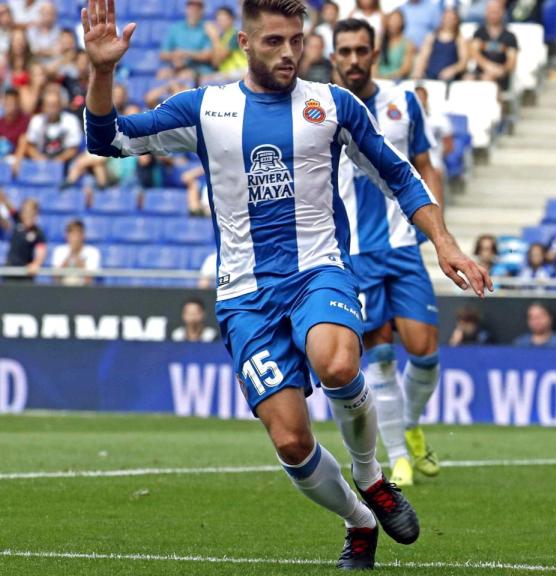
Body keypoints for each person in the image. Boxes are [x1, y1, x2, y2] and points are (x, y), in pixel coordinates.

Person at [82, 0, 489, 569]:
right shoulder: (206, 109)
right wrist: (102, 72)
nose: (290, 53)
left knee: (340, 363)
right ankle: (359, 519)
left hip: (317, 272)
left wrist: (444, 241)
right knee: (293, 443)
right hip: (245, 296)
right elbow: (109, 139)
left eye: (297, 40)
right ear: (245, 44)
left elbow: (398, 173)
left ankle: (371, 476)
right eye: (274, 41)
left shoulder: (331, 105)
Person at [332, 18, 454, 489]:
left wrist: (437, 227)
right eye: (345, 51)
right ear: (335, 56)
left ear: (374, 53)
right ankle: (400, 458)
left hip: (404, 246)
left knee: (424, 353)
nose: (354, 59)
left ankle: (408, 424)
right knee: (380, 357)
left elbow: (425, 166)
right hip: (355, 254)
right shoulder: (317, 107)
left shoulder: (403, 102)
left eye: (362, 50)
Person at [16, 89, 82, 174]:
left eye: (54, 105)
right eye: (48, 105)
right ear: (43, 107)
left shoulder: (71, 120)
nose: (51, 109)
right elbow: (30, 145)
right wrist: (41, 159)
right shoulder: (36, 120)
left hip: (66, 164)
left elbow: (73, 149)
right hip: (40, 163)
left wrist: (57, 161)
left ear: (60, 105)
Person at [469, 0, 518, 92]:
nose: (493, 15)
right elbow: (474, 52)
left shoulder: (510, 37)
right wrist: (487, 66)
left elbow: (512, 60)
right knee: (468, 79)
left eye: (496, 12)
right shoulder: (479, 33)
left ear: (502, 13)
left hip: (501, 75)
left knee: (488, 81)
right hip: (481, 72)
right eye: (491, 12)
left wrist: (501, 70)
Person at [159, 0, 214, 79]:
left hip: (199, 69)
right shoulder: (175, 28)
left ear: (202, 10)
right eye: (190, 6)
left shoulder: (207, 28)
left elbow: (208, 55)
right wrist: (174, 56)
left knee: (185, 76)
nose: (194, 10)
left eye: (198, 7)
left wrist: (186, 54)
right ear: (186, 8)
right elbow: (163, 54)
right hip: (176, 68)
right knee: (162, 74)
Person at [413, 8, 467, 82]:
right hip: (430, 77)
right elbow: (423, 57)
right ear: (442, 19)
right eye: (447, 18)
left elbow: (463, 63)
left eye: (452, 18)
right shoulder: (432, 37)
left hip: (450, 80)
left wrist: (452, 70)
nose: (449, 21)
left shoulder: (459, 39)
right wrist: (418, 71)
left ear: (456, 20)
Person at [0, 195, 46, 282]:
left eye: (32, 212)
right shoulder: (17, 220)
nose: (29, 214)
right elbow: (6, 202)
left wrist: (36, 264)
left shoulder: (38, 232)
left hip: (25, 274)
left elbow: (41, 252)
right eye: (26, 211)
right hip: (10, 272)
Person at [51, 219, 101, 286]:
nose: (75, 238)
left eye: (78, 233)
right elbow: (56, 279)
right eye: (72, 233)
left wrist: (79, 260)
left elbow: (90, 280)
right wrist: (70, 255)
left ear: (83, 235)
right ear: (67, 235)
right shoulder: (59, 251)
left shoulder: (93, 252)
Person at [375, 11, 414, 80]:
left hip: (396, 80)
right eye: (392, 20)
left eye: (397, 20)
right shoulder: (380, 41)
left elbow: (406, 69)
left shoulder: (407, 43)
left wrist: (388, 77)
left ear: (402, 23)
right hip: (378, 79)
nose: (394, 23)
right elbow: (374, 64)